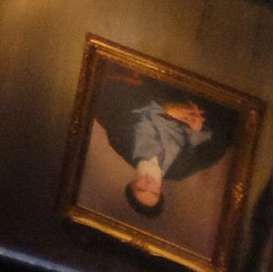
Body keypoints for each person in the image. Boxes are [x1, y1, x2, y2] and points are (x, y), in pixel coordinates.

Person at [91, 74, 236, 220]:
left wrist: (166, 109)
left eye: (141, 188)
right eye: (153, 192)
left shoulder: (120, 142)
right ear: (160, 191)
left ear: (132, 184)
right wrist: (199, 129)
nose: (149, 185)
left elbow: (123, 100)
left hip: (164, 82)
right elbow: (218, 146)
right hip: (208, 100)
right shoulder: (180, 170)